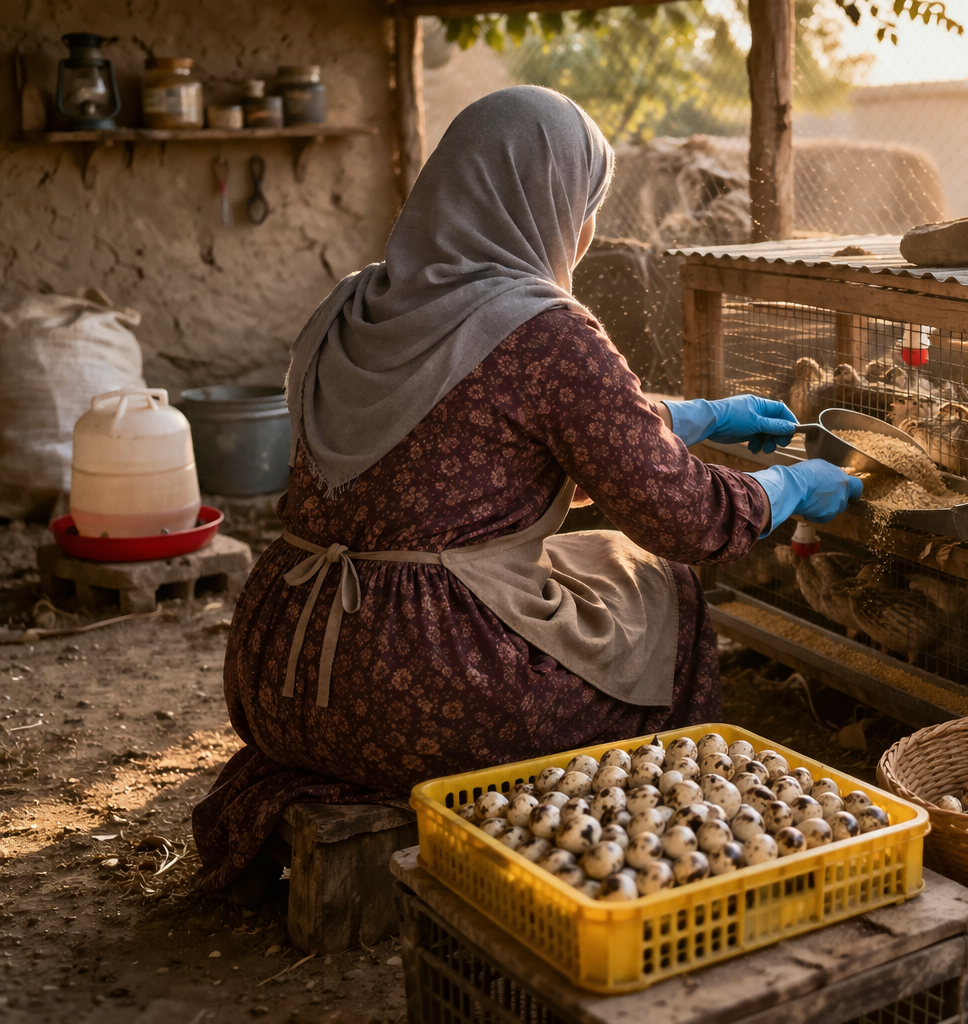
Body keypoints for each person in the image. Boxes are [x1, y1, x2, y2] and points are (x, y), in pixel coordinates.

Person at [191, 86, 861, 897]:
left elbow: (481, 452)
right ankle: (646, 821)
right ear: (547, 203)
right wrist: (792, 484)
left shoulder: (351, 305)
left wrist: (693, 416)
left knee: (594, 553)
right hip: (420, 692)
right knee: (658, 584)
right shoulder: (545, 332)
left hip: (282, 672)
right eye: (585, 206)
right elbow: (685, 520)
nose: (587, 231)